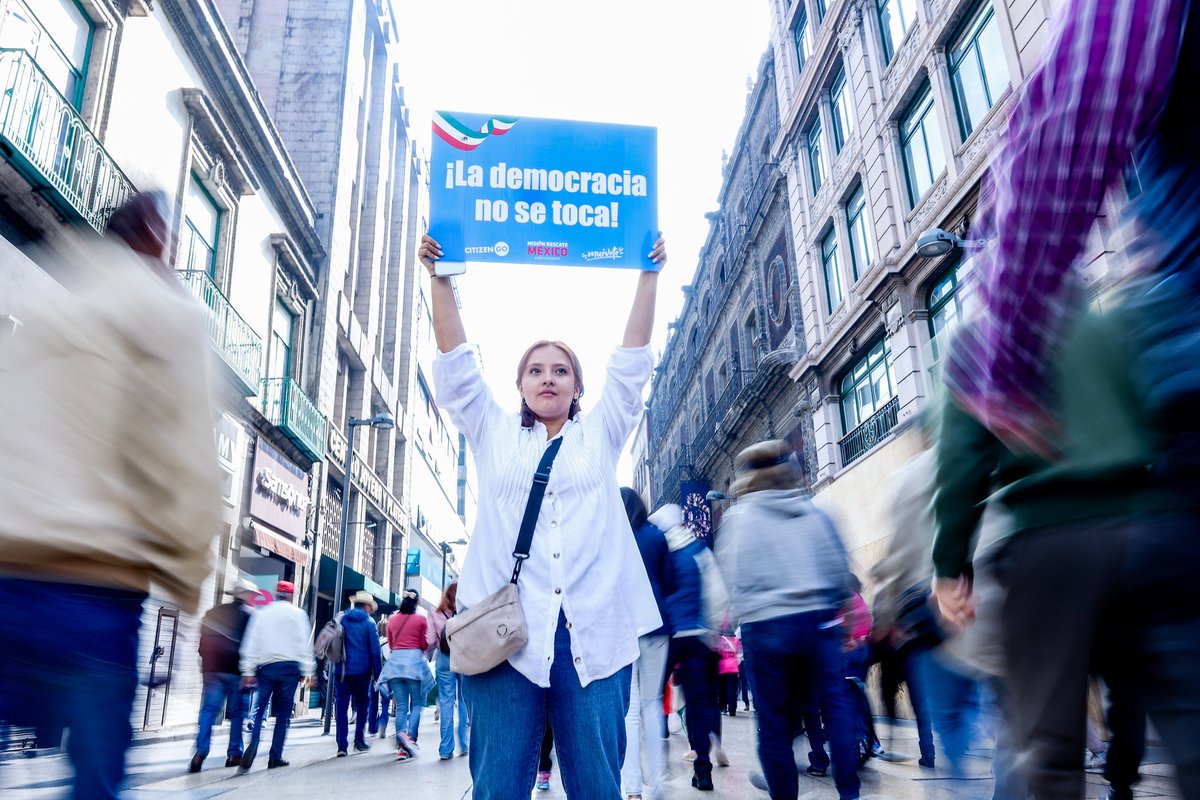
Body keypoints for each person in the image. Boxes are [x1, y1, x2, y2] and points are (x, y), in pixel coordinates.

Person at [422, 232, 667, 799]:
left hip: (594, 633)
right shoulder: (492, 430)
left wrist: (648, 273)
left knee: (597, 786)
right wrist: (440, 278)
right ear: (520, 384)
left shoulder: (601, 432)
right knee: (499, 785)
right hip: (509, 636)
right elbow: (456, 367)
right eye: (536, 370)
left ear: (578, 386)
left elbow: (631, 363)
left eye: (561, 370)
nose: (548, 377)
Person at [0, 192, 223, 800]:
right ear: (154, 236)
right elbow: (188, 462)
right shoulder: (168, 315)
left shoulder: (46, 303)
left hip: (8, 576)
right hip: (92, 588)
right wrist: (185, 578)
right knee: (95, 781)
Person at [715, 440, 861, 800]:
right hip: (818, 627)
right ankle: (849, 793)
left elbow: (730, 583)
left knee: (774, 727)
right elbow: (841, 574)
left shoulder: (739, 519)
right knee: (835, 709)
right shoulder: (817, 514)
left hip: (766, 631)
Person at [652, 503, 726, 791]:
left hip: (667, 636)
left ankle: (652, 773)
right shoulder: (699, 551)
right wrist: (711, 629)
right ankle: (703, 770)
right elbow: (716, 594)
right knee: (699, 703)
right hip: (697, 635)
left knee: (651, 698)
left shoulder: (659, 551)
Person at [620, 487, 674, 800]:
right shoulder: (656, 537)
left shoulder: (615, 538)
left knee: (630, 710)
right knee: (653, 704)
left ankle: (631, 787)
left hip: (624, 627)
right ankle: (657, 784)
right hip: (656, 626)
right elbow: (670, 582)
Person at [237, 580, 313, 773]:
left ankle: (253, 742)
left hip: (266, 668)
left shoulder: (262, 614)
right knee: (283, 715)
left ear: (277, 594)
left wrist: (247, 671)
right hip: (290, 669)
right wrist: (307, 671)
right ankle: (275, 756)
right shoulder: (298, 615)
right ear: (292, 595)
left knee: (260, 710)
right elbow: (304, 645)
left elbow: (251, 642)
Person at [189, 579, 260, 772]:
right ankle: (234, 754)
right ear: (246, 596)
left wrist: (206, 664)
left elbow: (202, 643)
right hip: (238, 673)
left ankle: (199, 753)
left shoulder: (213, 612)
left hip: (213, 670)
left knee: (208, 710)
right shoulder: (251, 616)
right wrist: (251, 671)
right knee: (237, 714)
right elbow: (252, 646)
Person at [380, 589, 428, 761]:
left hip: (395, 666)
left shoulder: (391, 621)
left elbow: (392, 645)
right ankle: (411, 739)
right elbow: (424, 644)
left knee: (401, 707)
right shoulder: (421, 620)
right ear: (417, 602)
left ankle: (401, 746)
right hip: (414, 665)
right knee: (417, 703)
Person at [335, 590, 383, 757]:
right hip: (362, 672)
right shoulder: (370, 623)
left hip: (341, 670)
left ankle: (341, 745)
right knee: (363, 705)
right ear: (367, 606)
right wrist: (378, 674)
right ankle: (359, 741)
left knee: (341, 706)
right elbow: (375, 651)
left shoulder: (341, 619)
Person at [427, 581, 470, 760]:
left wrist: (440, 642)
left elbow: (429, 640)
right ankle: (464, 744)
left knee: (446, 702)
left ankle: (445, 749)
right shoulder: (466, 611)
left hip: (444, 658)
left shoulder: (434, 613)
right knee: (463, 700)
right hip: (464, 656)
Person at [369, 616, 392, 738]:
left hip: (375, 676)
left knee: (373, 701)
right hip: (388, 676)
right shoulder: (391, 643)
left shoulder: (376, 642)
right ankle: (383, 721)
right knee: (385, 702)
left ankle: (372, 727)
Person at [717, 633, 742, 717]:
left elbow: (717, 652)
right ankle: (732, 710)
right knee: (732, 689)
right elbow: (739, 654)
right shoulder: (736, 641)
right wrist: (736, 663)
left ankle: (722, 708)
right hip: (733, 667)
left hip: (721, 667)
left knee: (722, 689)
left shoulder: (720, 640)